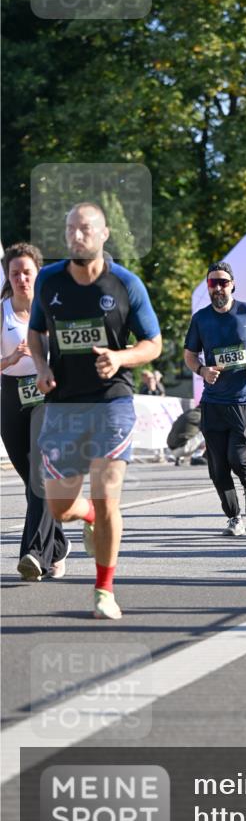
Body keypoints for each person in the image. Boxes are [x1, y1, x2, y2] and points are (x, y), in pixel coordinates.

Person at [28, 202, 162, 619]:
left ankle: (104, 590)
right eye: (70, 229)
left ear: (104, 234)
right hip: (64, 405)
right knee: (60, 509)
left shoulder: (125, 284)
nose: (76, 236)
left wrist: (120, 358)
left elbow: (153, 344)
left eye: (85, 229)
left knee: (107, 499)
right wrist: (43, 367)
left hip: (111, 403)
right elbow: (36, 333)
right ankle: (84, 515)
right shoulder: (49, 281)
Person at [183, 261, 246, 537]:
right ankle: (234, 518)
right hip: (214, 402)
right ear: (208, 287)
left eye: (223, 282)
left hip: (245, 398)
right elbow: (189, 355)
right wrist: (201, 369)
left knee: (237, 456)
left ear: (233, 284)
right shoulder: (200, 319)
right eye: (213, 283)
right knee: (217, 467)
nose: (219, 287)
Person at [1, 243, 70, 580]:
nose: (21, 279)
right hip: (11, 396)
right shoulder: (2, 312)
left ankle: (33, 554)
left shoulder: (53, 311)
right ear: (8, 277)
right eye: (15, 273)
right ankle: (57, 544)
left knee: (40, 476)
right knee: (32, 481)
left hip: (46, 395)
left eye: (27, 272)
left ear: (38, 274)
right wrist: (11, 360)